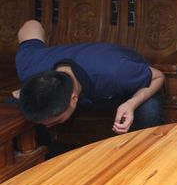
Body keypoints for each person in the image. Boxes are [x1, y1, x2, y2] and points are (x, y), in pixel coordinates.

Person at [16, 20, 164, 134]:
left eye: (55, 121)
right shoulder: (29, 66)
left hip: (131, 84)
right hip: (89, 90)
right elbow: (31, 24)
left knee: (149, 111)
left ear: (73, 98)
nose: (48, 126)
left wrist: (131, 103)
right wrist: (29, 92)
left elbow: (158, 76)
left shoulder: (116, 72)